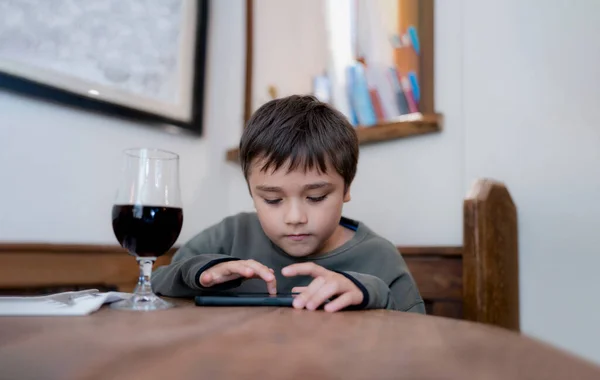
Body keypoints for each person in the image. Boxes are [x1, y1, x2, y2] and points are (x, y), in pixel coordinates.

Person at [152, 95, 425, 313]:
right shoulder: (230, 235)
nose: (295, 217)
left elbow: (418, 341)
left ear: (347, 189)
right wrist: (198, 273)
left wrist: (371, 292)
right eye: (272, 199)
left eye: (316, 197)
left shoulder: (380, 258)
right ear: (251, 192)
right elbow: (158, 282)